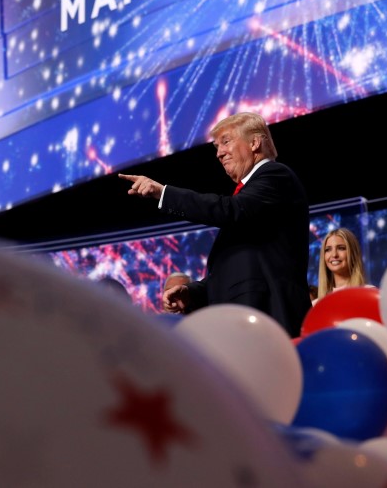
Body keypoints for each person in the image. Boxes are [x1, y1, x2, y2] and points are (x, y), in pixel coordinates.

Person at [119, 112, 312, 337]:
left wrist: (163, 193)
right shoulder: (249, 200)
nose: (219, 153)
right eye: (216, 147)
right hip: (243, 324)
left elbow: (230, 211)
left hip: (268, 319)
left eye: (226, 142)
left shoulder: (275, 175)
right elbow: (234, 270)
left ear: (254, 142)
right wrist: (192, 293)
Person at [314, 227, 368, 303]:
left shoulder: (368, 294)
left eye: (341, 248)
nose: (334, 255)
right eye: (328, 250)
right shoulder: (316, 305)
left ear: (353, 253)